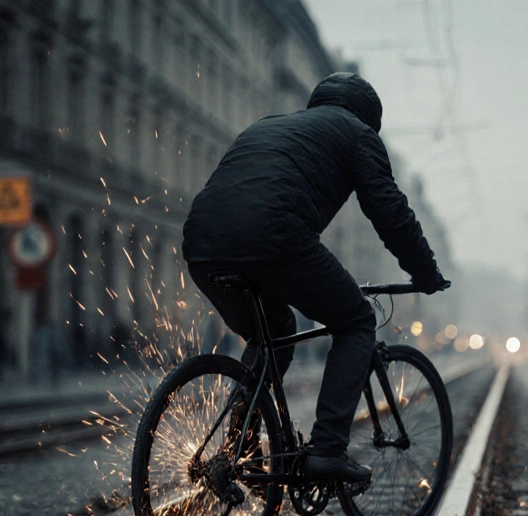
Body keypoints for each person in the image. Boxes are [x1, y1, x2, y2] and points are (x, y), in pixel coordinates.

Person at [181, 72, 449, 485]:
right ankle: (326, 451)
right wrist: (425, 271)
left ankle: (239, 449)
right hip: (274, 233)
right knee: (357, 321)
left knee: (274, 333)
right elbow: (389, 210)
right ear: (368, 117)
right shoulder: (359, 134)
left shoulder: (268, 124)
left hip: (200, 240)